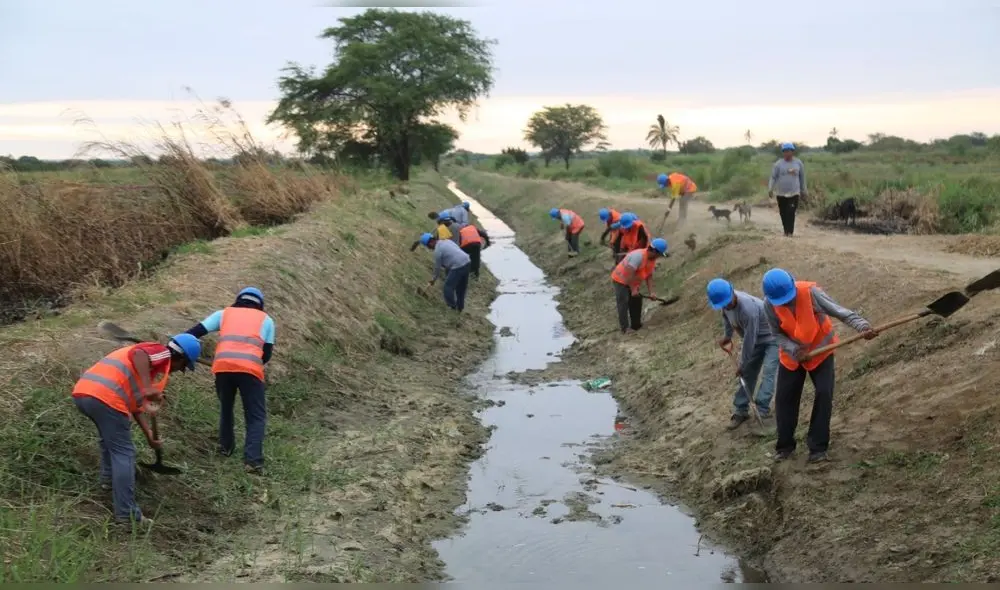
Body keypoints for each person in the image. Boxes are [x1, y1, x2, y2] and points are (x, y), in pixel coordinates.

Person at [72, 333, 202, 526]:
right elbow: (139, 354)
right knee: (124, 453)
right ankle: (127, 515)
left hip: (85, 394)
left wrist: (149, 436)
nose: (180, 371)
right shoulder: (160, 352)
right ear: (179, 356)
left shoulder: (145, 371)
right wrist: (148, 388)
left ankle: (109, 481)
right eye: (183, 366)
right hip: (106, 398)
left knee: (109, 441)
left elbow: (135, 407)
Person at [761, 268, 877, 463]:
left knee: (824, 393)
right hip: (792, 357)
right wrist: (794, 350)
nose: (786, 303)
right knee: (784, 399)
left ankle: (817, 448)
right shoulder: (769, 304)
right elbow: (776, 334)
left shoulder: (811, 294)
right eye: (781, 301)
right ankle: (785, 447)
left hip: (820, 351)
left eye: (788, 298)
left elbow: (840, 311)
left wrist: (862, 326)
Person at [185, 287, 275, 475]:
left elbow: (194, 332)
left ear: (238, 300)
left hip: (223, 369)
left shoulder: (224, 314)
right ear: (260, 304)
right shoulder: (266, 320)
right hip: (250, 370)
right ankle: (252, 461)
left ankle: (225, 448)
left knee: (226, 408)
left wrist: (179, 347)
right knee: (256, 416)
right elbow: (266, 355)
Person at [707, 278, 778, 430]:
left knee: (769, 372)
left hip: (772, 338)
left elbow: (749, 340)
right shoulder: (724, 303)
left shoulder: (748, 310)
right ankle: (741, 410)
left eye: (727, 302)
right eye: (722, 305)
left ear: (732, 292)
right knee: (747, 374)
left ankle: (762, 409)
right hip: (755, 339)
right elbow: (726, 317)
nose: (726, 306)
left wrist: (742, 363)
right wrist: (727, 336)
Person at [610, 238, 670, 335]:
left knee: (636, 300)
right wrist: (633, 289)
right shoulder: (638, 256)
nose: (659, 257)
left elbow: (649, 276)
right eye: (659, 254)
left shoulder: (652, 259)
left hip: (632, 280)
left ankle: (636, 325)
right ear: (654, 251)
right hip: (620, 279)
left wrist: (651, 292)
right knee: (623, 302)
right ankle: (625, 328)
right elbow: (629, 273)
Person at [421, 232, 472, 312]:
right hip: (467, 261)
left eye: (428, 246)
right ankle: (460, 308)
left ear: (430, 243)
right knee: (461, 287)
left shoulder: (438, 251)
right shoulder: (446, 241)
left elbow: (437, 268)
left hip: (458, 265)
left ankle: (452, 307)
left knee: (447, 287)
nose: (430, 248)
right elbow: (455, 251)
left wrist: (433, 280)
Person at [768, 143, 807, 237]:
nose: (786, 153)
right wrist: (770, 188)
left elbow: (802, 178)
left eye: (788, 151)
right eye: (785, 151)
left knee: (791, 211)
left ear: (792, 152)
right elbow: (773, 177)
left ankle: (790, 232)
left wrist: (804, 190)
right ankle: (786, 231)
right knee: (783, 213)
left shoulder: (798, 163)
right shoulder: (778, 164)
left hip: (794, 193)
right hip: (781, 193)